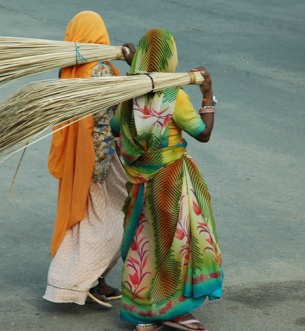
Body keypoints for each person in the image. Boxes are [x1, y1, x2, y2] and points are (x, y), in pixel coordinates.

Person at [110, 28, 223, 331]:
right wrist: (208, 93)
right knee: (175, 245)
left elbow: (116, 128)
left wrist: (131, 76)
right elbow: (204, 133)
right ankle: (171, 310)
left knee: (143, 241)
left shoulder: (128, 94)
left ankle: (144, 312)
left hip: (139, 182)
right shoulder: (176, 97)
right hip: (170, 181)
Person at [43, 11, 135, 307]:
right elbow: (115, 110)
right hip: (100, 162)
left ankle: (94, 281)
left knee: (85, 219)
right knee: (109, 220)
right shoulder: (100, 70)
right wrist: (134, 69)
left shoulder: (69, 70)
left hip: (82, 160)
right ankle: (75, 281)